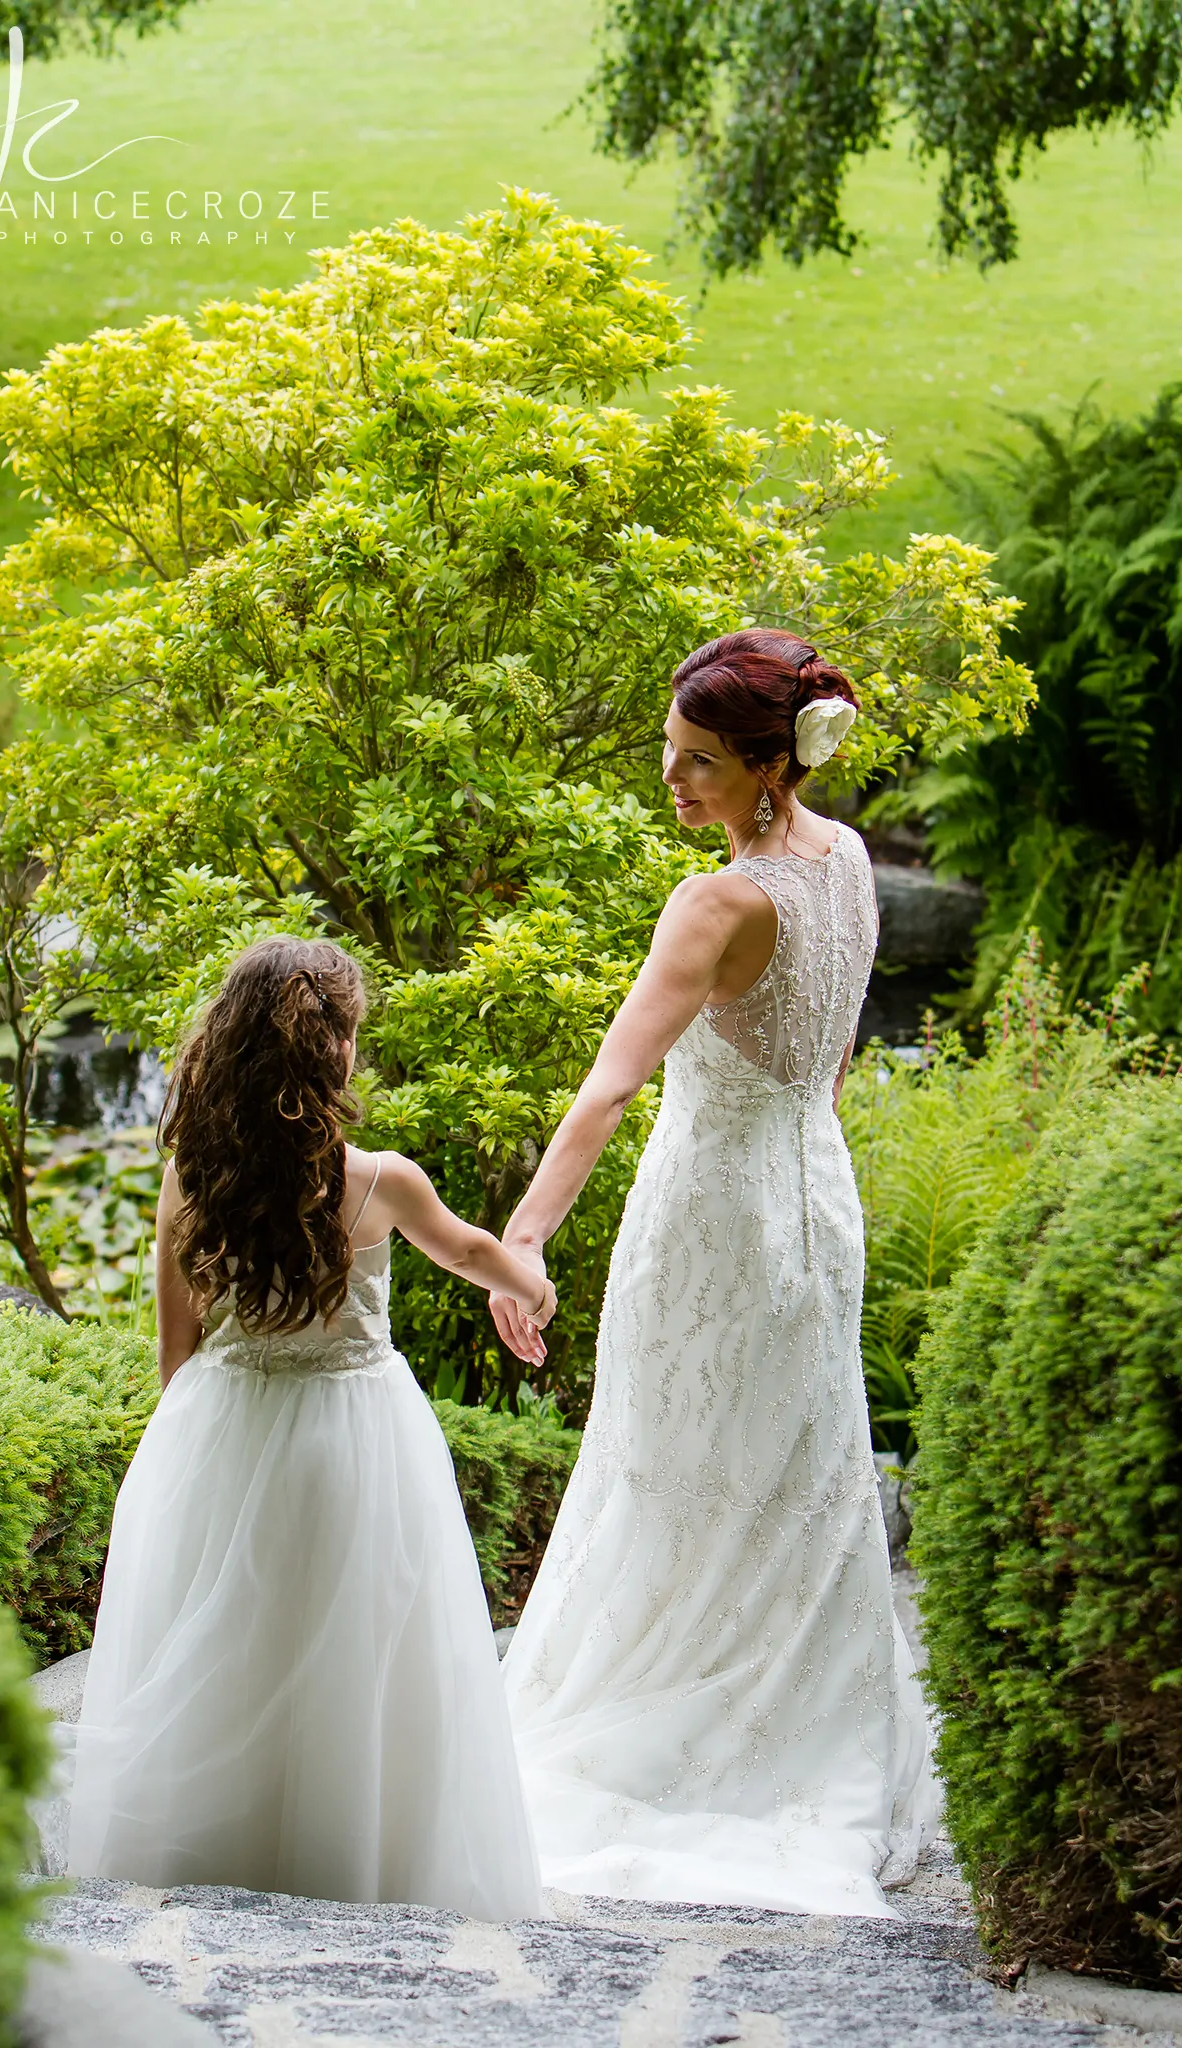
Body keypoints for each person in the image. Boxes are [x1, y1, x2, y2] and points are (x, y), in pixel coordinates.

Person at [489, 628, 937, 1918]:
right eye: (669, 759)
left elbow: (611, 1084)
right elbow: (835, 1047)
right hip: (817, 1199)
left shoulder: (718, 902)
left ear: (764, 765)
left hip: (711, 1215)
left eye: (695, 764)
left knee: (673, 1462)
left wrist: (520, 1241)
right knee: (793, 1470)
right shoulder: (845, 858)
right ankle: (790, 1723)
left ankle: (682, 1739)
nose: (673, 785)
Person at [67, 937, 551, 1920]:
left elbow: (177, 1346)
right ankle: (353, 1850)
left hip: (222, 1419)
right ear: (331, 1052)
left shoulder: (188, 1178)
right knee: (356, 1647)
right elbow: (470, 1250)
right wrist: (530, 1286)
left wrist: (195, 1444)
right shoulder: (380, 1181)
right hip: (356, 1436)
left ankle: (218, 1844)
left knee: (232, 1638)